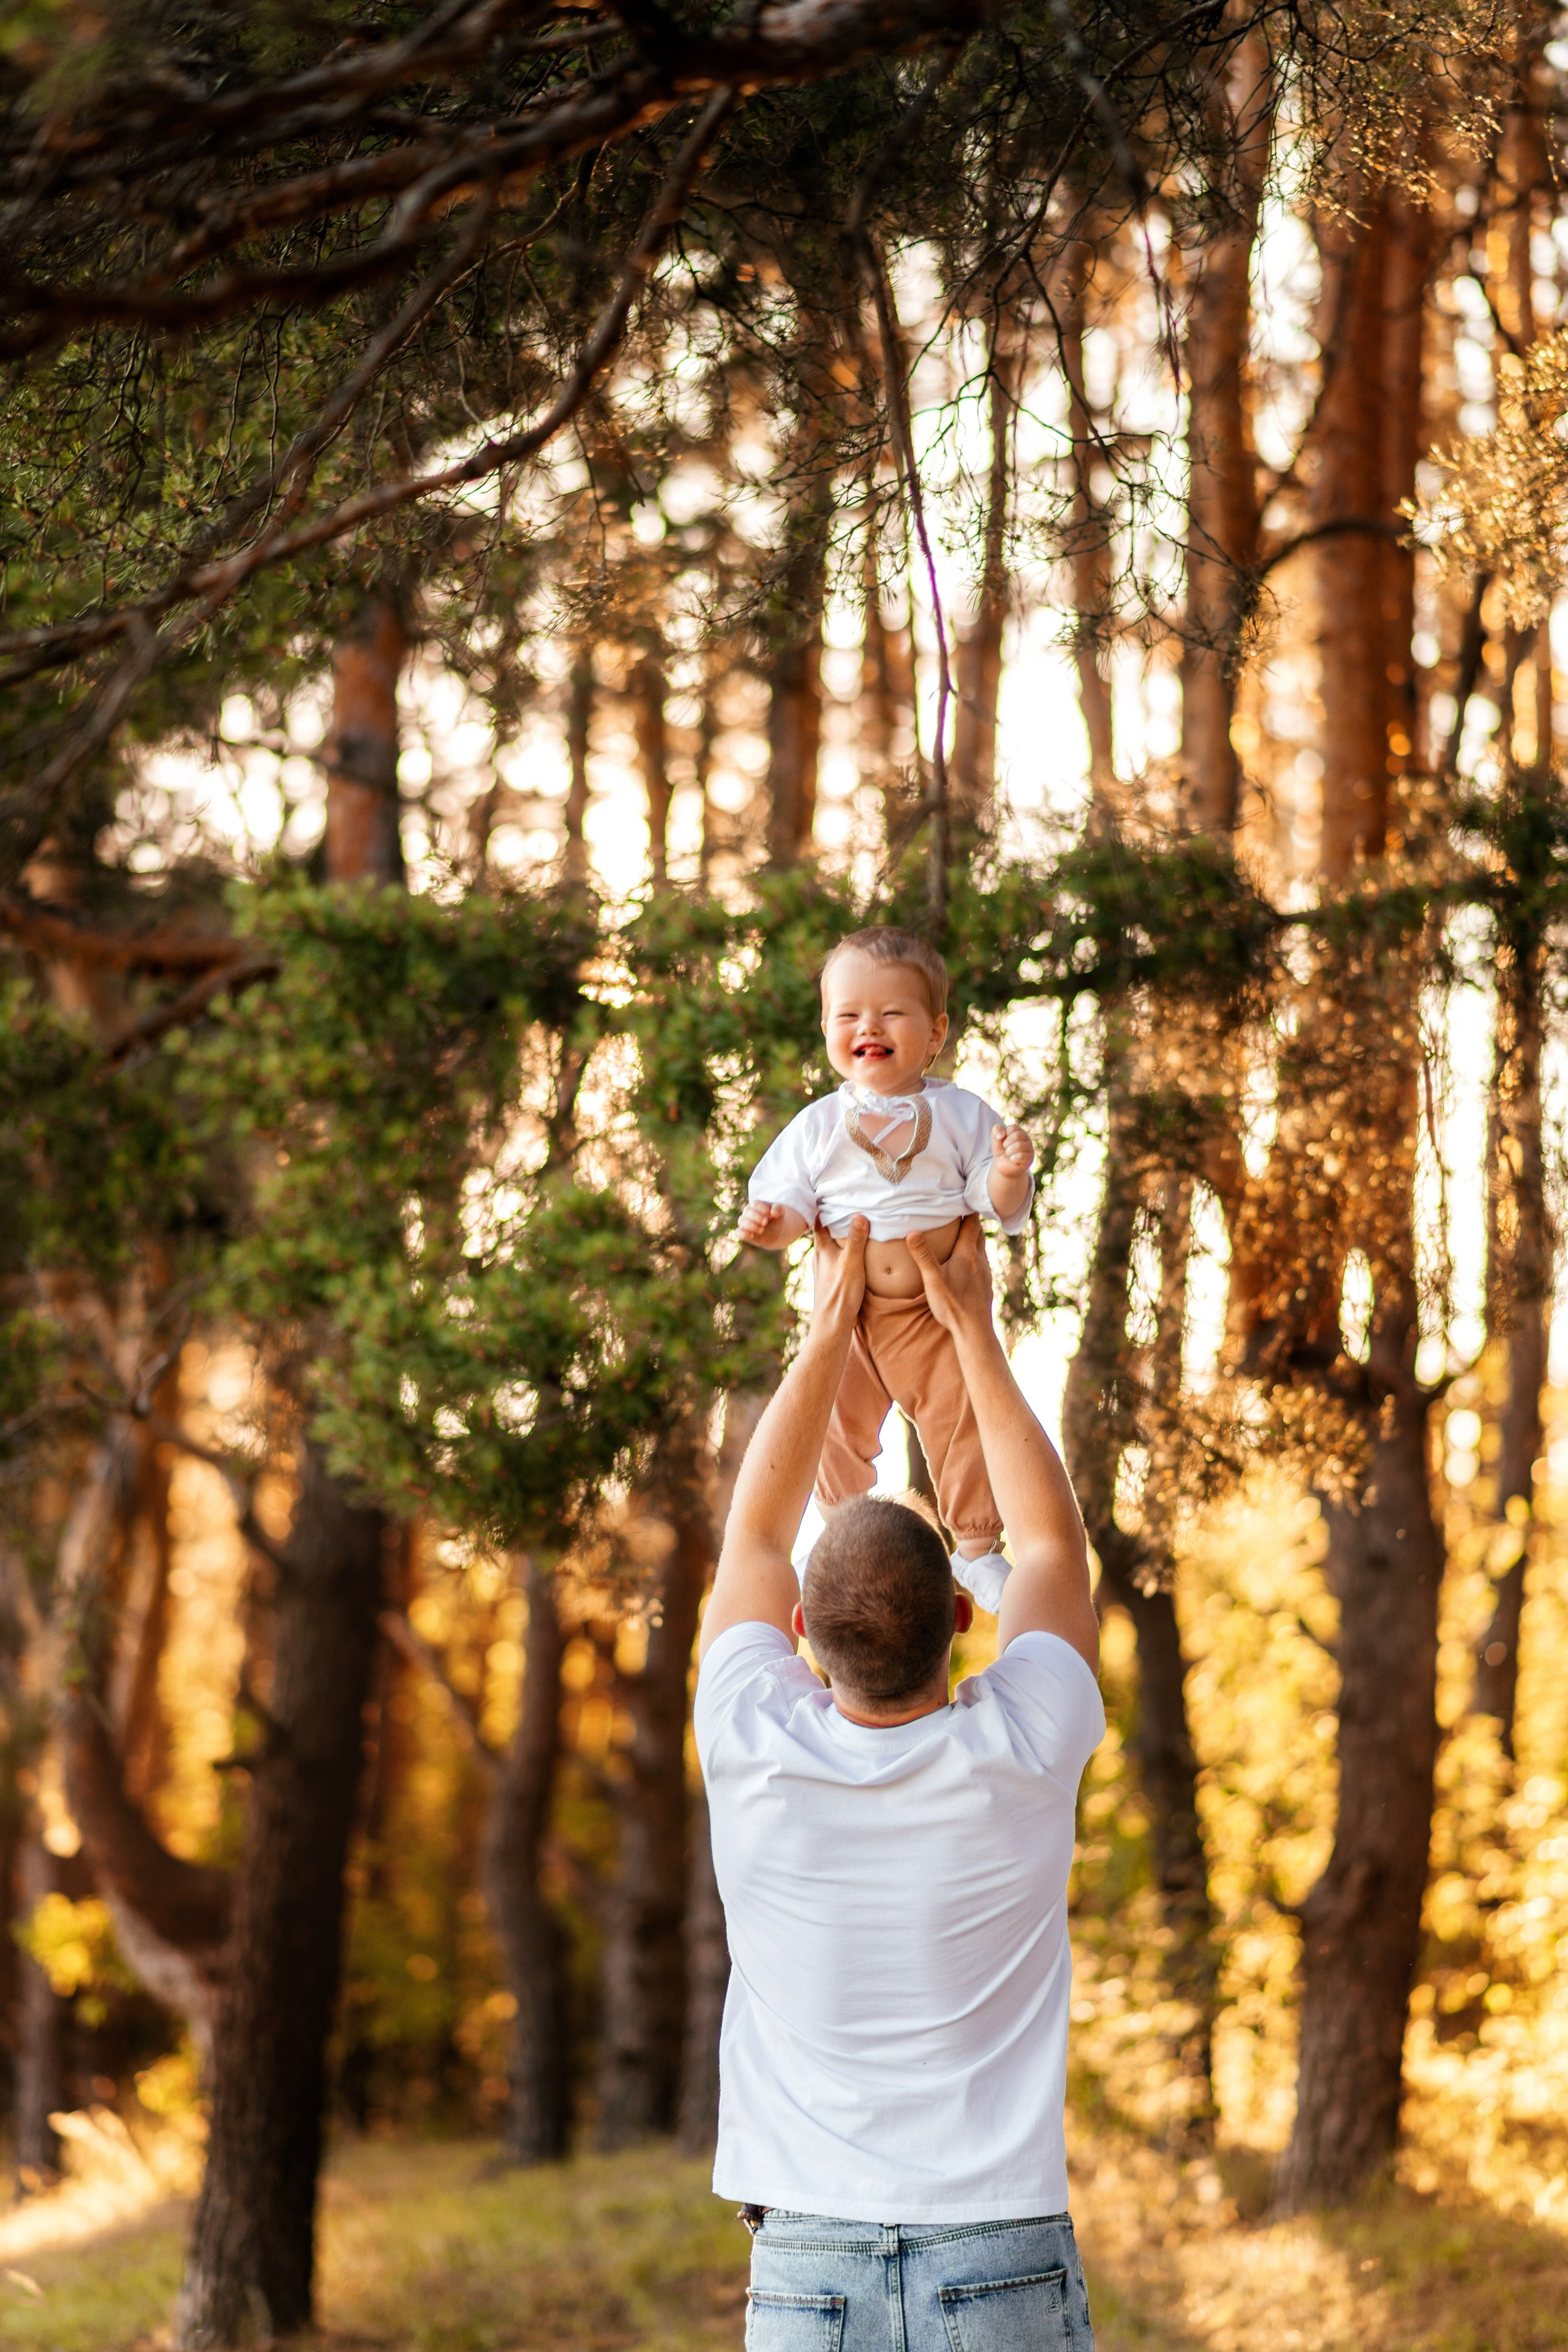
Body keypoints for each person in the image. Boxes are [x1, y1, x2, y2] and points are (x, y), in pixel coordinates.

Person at [695, 1212, 1104, 2351]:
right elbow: (1052, 1549)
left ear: (798, 1637)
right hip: (1001, 2254)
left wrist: (828, 1328)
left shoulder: (750, 1742)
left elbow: (755, 1535)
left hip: (808, 2267)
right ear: (965, 1621)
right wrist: (971, 1325)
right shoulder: (1024, 1745)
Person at [737, 926, 1035, 1615]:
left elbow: (995, 1199)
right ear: (825, 1029)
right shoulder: (816, 1126)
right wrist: (769, 1226)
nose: (867, 1025)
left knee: (962, 1422)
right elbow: (790, 1207)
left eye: (891, 1012)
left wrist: (1011, 1172)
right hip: (853, 1320)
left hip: (935, 1316)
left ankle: (977, 1549)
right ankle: (833, 1534)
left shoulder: (960, 1113)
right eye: (847, 1014)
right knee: (832, 1428)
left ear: (935, 1033)